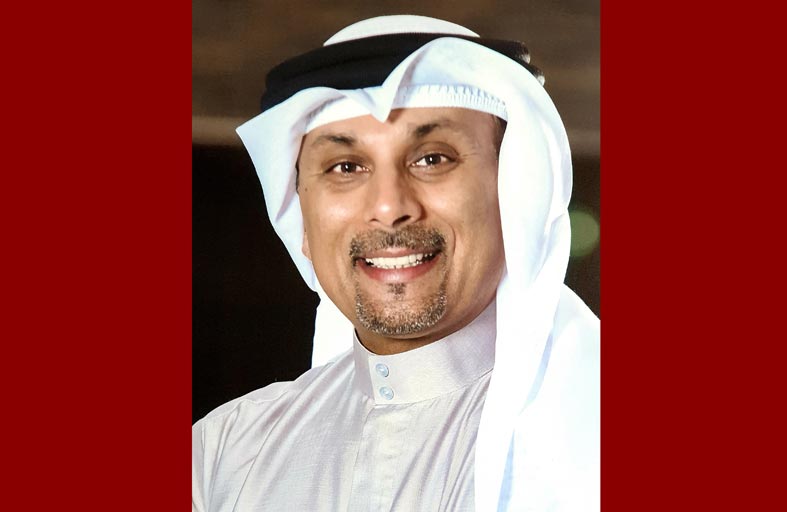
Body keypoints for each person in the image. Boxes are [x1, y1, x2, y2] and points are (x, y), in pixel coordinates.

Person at [192, 14, 599, 511]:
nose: (388, 207)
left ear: (517, 193)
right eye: (346, 167)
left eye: (432, 159)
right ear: (302, 220)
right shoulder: (224, 456)